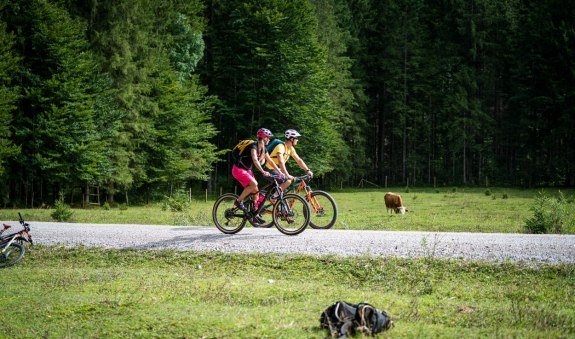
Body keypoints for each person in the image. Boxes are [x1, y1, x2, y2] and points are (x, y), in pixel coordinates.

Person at [232, 128, 282, 224]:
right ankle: (238, 201)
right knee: (254, 184)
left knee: (256, 192)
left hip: (247, 170)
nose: (269, 140)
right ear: (264, 138)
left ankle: (255, 215)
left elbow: (270, 161)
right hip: (238, 169)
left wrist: (279, 171)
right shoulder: (253, 146)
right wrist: (263, 171)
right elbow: (255, 160)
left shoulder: (263, 148)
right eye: (268, 138)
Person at [265, 129, 313, 194]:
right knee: (288, 181)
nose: (297, 140)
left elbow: (299, 160)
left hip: (277, 170)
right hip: (269, 169)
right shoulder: (281, 147)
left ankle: (279, 200)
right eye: (296, 138)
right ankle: (274, 198)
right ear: (291, 139)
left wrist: (307, 170)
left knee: (285, 189)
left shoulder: (290, 148)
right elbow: (280, 162)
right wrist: (287, 175)